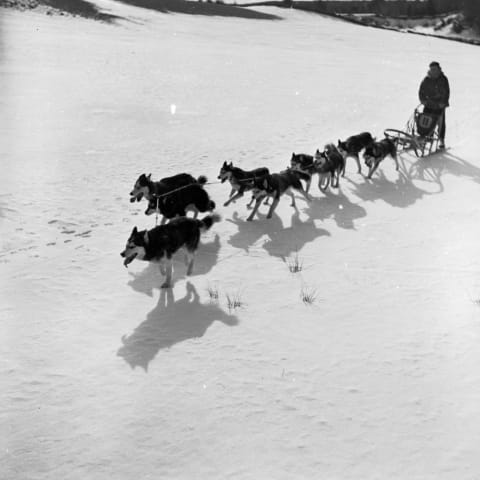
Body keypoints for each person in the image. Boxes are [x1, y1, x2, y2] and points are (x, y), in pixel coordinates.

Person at [418, 61, 450, 149]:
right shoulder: (426, 79)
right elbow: (421, 91)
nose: (433, 71)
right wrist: (423, 100)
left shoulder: (443, 79)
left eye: (435, 69)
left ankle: (441, 139)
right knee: (425, 121)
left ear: (439, 69)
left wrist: (443, 102)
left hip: (439, 105)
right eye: (432, 69)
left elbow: (446, 92)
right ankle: (426, 137)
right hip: (428, 104)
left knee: (440, 122)